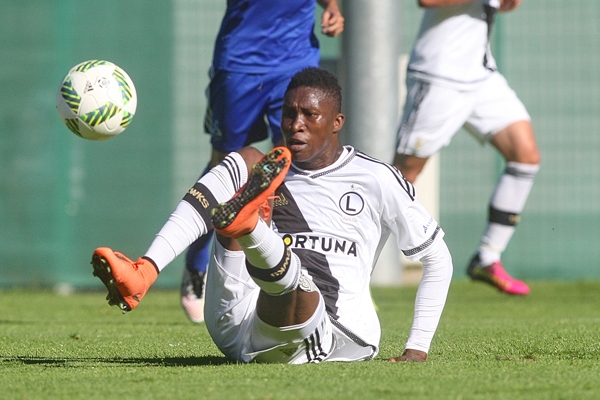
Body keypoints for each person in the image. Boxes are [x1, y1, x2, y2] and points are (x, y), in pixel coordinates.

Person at [91, 68, 453, 363]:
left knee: (298, 282)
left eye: (310, 115)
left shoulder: (376, 178)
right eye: (289, 113)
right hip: (234, 314)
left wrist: (417, 349)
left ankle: (248, 226)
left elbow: (438, 260)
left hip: (322, 329)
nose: (295, 123)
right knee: (247, 157)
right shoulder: (269, 167)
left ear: (336, 121)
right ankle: (145, 271)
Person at [181, 0, 345, 324]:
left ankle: (315, 275)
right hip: (241, 62)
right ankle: (197, 266)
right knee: (226, 167)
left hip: (294, 62)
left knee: (298, 161)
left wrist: (332, 7)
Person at [393, 0, 540, 295]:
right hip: (439, 76)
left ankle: (487, 257)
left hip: (481, 75)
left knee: (525, 156)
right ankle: (347, 265)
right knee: (399, 178)